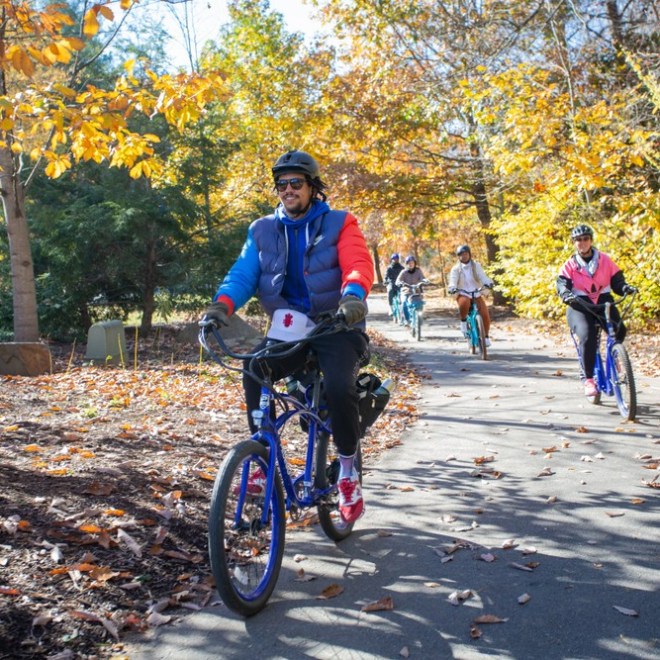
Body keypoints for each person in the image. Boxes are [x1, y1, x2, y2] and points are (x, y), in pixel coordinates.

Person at [201, 149, 374, 523]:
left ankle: (347, 471)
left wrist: (353, 298)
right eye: (282, 185)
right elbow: (243, 274)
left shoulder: (340, 223)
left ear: (313, 187)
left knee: (339, 386)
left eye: (296, 183)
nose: (288, 190)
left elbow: (358, 265)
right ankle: (261, 459)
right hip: (290, 325)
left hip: (337, 323)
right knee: (254, 368)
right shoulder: (262, 229)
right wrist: (220, 307)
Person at [556, 224, 636, 397]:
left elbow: (617, 282)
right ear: (574, 243)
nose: (582, 243)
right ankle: (589, 379)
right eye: (578, 240)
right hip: (579, 305)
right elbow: (562, 285)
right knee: (587, 335)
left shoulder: (605, 260)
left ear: (591, 240)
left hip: (603, 301)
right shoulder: (569, 265)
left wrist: (625, 288)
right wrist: (566, 295)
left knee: (619, 328)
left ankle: (615, 357)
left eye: (585, 239)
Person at [447, 245, 494, 346]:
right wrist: (452, 288)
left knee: (485, 314)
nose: (464, 256)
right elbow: (453, 281)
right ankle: (463, 321)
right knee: (464, 303)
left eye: (466, 254)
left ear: (469, 254)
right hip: (463, 293)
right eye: (461, 255)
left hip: (476, 292)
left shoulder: (476, 265)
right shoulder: (456, 269)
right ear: (458, 257)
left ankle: (485, 337)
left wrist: (488, 283)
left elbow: (483, 277)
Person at [395, 255, 427, 324]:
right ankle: (407, 320)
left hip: (417, 291)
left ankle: (419, 318)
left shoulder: (418, 271)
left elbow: (422, 278)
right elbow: (398, 281)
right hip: (406, 291)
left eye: (412, 263)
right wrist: (400, 283)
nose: (411, 264)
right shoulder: (403, 272)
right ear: (407, 264)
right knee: (404, 304)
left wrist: (424, 281)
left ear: (415, 263)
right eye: (409, 263)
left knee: (420, 304)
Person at [384, 253, 404, 317]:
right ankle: (390, 307)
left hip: (399, 284)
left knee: (403, 293)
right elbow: (386, 276)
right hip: (391, 283)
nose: (395, 260)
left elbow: (404, 276)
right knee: (390, 291)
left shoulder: (402, 268)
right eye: (394, 259)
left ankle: (403, 309)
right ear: (392, 260)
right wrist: (385, 281)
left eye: (397, 259)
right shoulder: (389, 268)